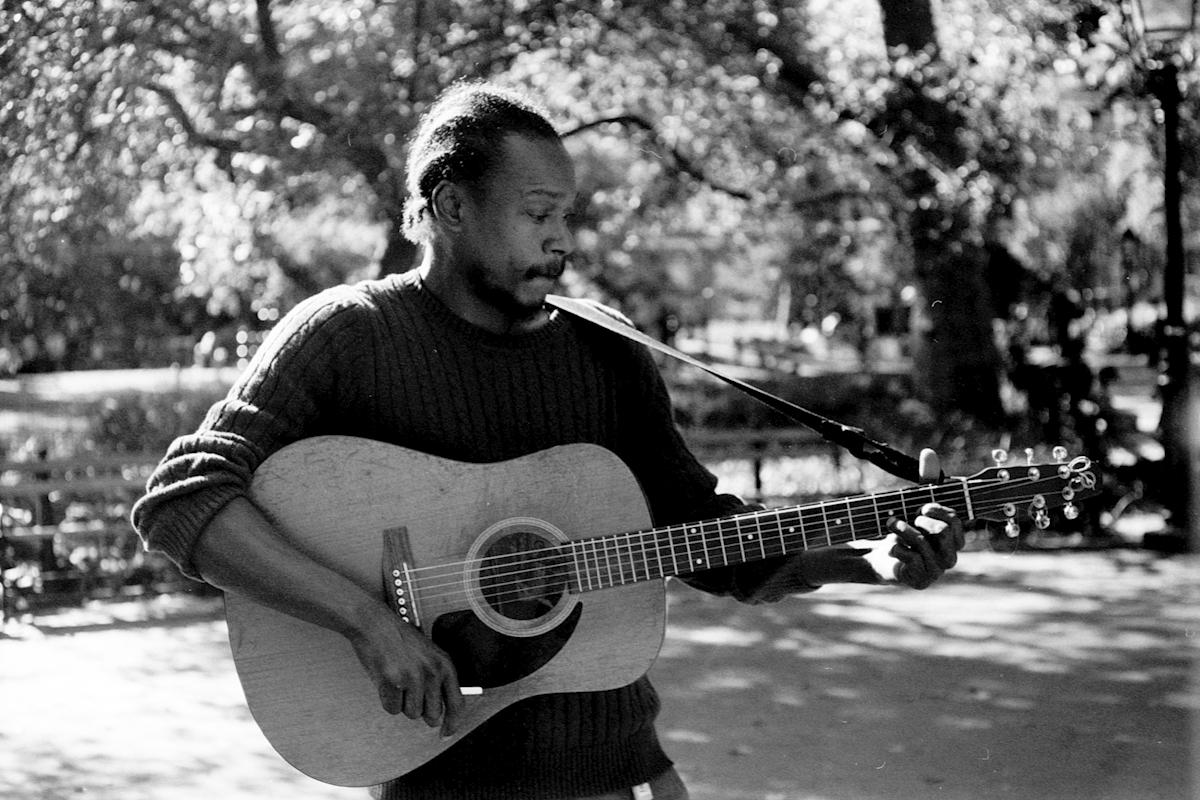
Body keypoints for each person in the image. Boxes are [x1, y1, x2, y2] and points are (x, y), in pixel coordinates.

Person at [132, 81, 964, 800]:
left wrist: (871, 559)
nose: (561, 240)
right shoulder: (349, 336)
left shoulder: (605, 349)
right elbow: (185, 497)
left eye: (566, 215)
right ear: (451, 207)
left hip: (615, 770)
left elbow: (702, 534)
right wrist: (369, 623)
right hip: (437, 775)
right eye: (537, 214)